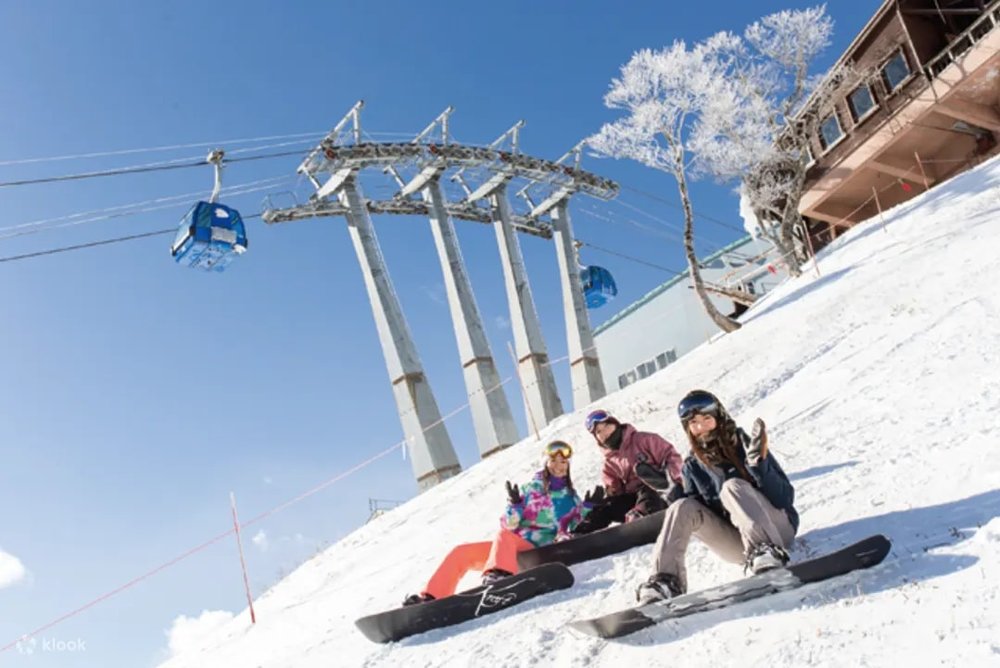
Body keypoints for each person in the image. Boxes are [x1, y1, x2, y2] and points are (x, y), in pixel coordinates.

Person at [635, 389, 799, 603]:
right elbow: (699, 515)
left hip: (777, 531)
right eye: (693, 423)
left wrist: (759, 466)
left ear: (719, 418)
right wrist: (672, 493)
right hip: (740, 546)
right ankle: (665, 581)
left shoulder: (744, 444)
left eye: (706, 419)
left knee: (732, 487)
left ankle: (765, 550)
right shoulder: (692, 466)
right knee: (681, 506)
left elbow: (784, 499)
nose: (701, 427)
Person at [402, 440, 601, 606]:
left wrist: (588, 508)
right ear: (545, 463)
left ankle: (499, 577)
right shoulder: (530, 489)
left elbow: (575, 529)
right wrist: (515, 505)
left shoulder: (570, 498)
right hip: (511, 551)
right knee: (461, 552)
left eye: (563, 462)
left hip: (538, 550)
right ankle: (430, 598)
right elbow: (509, 526)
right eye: (553, 460)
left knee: (504, 537)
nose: (559, 465)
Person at [571, 409, 684, 535]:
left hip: (663, 494)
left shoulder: (644, 439)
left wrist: (670, 478)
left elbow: (672, 457)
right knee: (607, 506)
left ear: (615, 424)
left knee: (648, 488)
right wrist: (607, 497)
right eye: (598, 432)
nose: (604, 433)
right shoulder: (610, 463)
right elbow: (616, 491)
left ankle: (641, 517)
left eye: (606, 426)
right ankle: (580, 531)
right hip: (635, 499)